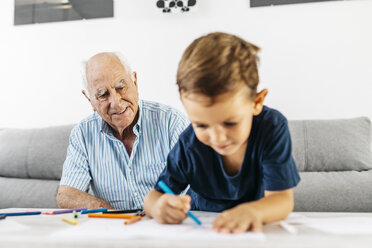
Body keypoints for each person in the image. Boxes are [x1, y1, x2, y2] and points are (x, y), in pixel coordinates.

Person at [144, 32, 300, 233]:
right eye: (201, 125)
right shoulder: (189, 143)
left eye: (230, 123)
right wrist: (158, 207)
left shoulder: (271, 127)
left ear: (257, 102)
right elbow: (152, 198)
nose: (217, 138)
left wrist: (253, 211)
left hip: (253, 229)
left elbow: (282, 200)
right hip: (203, 231)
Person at [57, 52, 189, 210]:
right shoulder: (83, 134)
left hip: (169, 225)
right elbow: (67, 195)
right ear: (89, 99)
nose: (116, 103)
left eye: (121, 87)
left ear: (135, 82)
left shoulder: (172, 123)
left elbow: (202, 188)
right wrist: (110, 214)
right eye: (102, 95)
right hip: (114, 228)